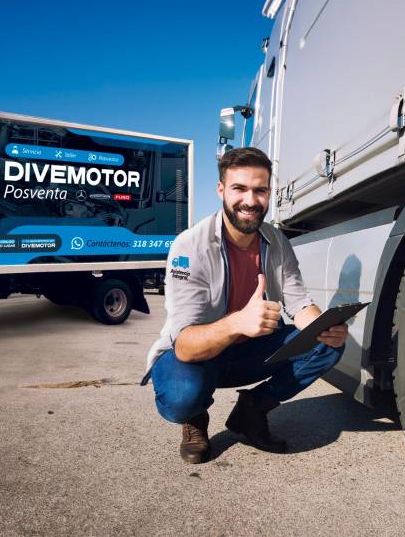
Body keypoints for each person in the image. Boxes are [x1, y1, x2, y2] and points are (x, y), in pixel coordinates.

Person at [143, 147, 349, 464]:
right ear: (221, 190)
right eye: (239, 188)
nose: (250, 201)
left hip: (248, 352)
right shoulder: (189, 246)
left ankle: (252, 408)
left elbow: (299, 303)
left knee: (328, 345)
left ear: (268, 192)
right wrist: (238, 322)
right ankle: (195, 417)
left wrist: (322, 328)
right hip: (198, 356)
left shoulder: (277, 241)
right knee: (181, 397)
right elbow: (184, 345)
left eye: (259, 190)